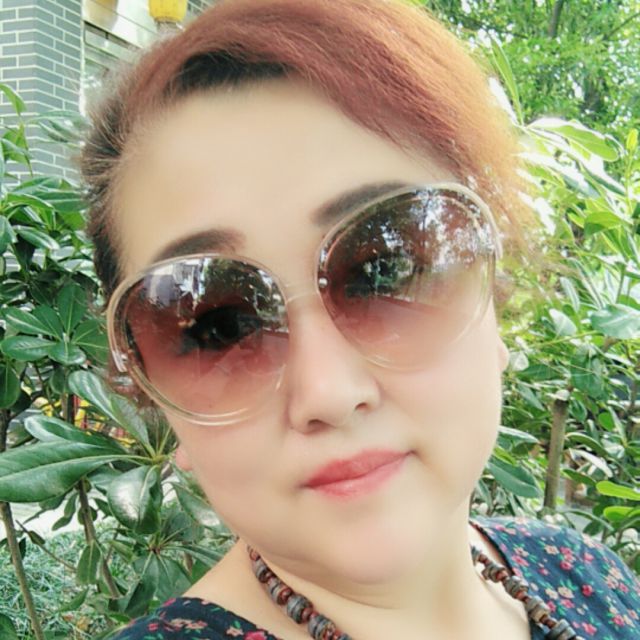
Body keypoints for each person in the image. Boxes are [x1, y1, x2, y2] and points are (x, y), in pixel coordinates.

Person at [79, 0, 640, 638]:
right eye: (219, 325)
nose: (330, 393)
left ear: (493, 292)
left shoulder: (593, 577)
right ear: (153, 396)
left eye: (384, 272)